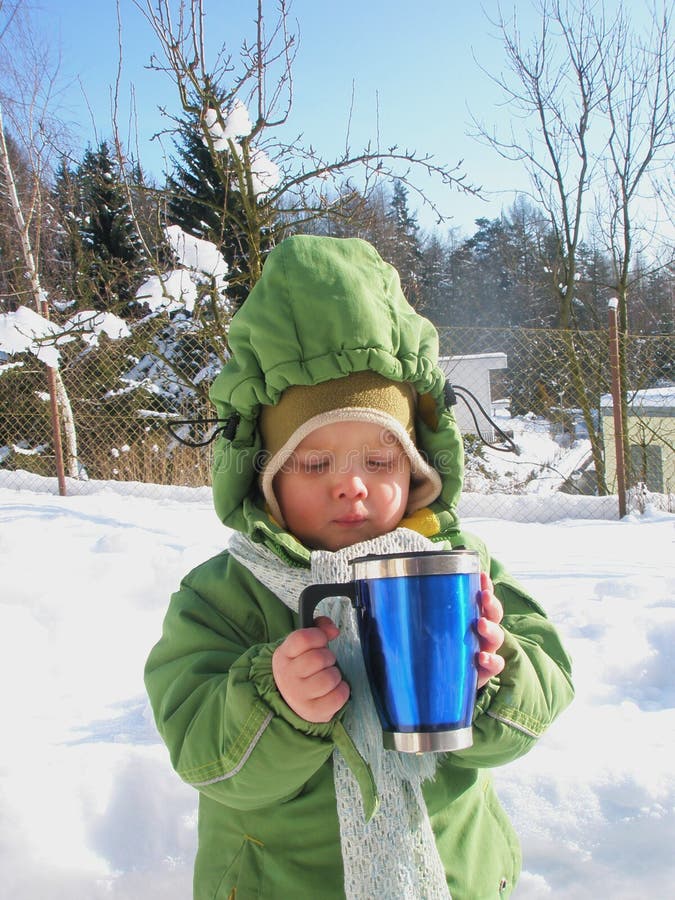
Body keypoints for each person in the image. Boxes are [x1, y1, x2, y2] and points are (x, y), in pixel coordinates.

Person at [145, 235, 574, 899]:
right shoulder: (222, 595)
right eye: (315, 464)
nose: (351, 487)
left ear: (417, 466)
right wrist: (273, 701)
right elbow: (203, 755)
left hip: (451, 875)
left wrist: (498, 674)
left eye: (379, 462)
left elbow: (539, 698)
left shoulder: (458, 570)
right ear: (264, 475)